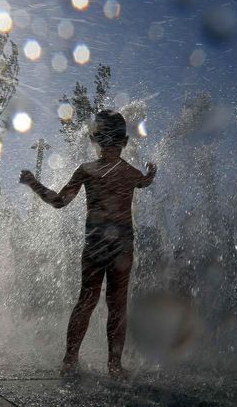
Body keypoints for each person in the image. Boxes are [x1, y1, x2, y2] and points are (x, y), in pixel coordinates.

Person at [19, 110, 156, 377]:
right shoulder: (130, 173)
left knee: (86, 300)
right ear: (125, 142)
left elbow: (59, 201)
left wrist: (33, 183)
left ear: (94, 139)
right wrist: (151, 174)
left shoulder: (87, 170)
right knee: (117, 305)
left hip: (94, 244)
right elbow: (145, 182)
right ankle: (114, 366)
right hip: (122, 247)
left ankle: (70, 360)